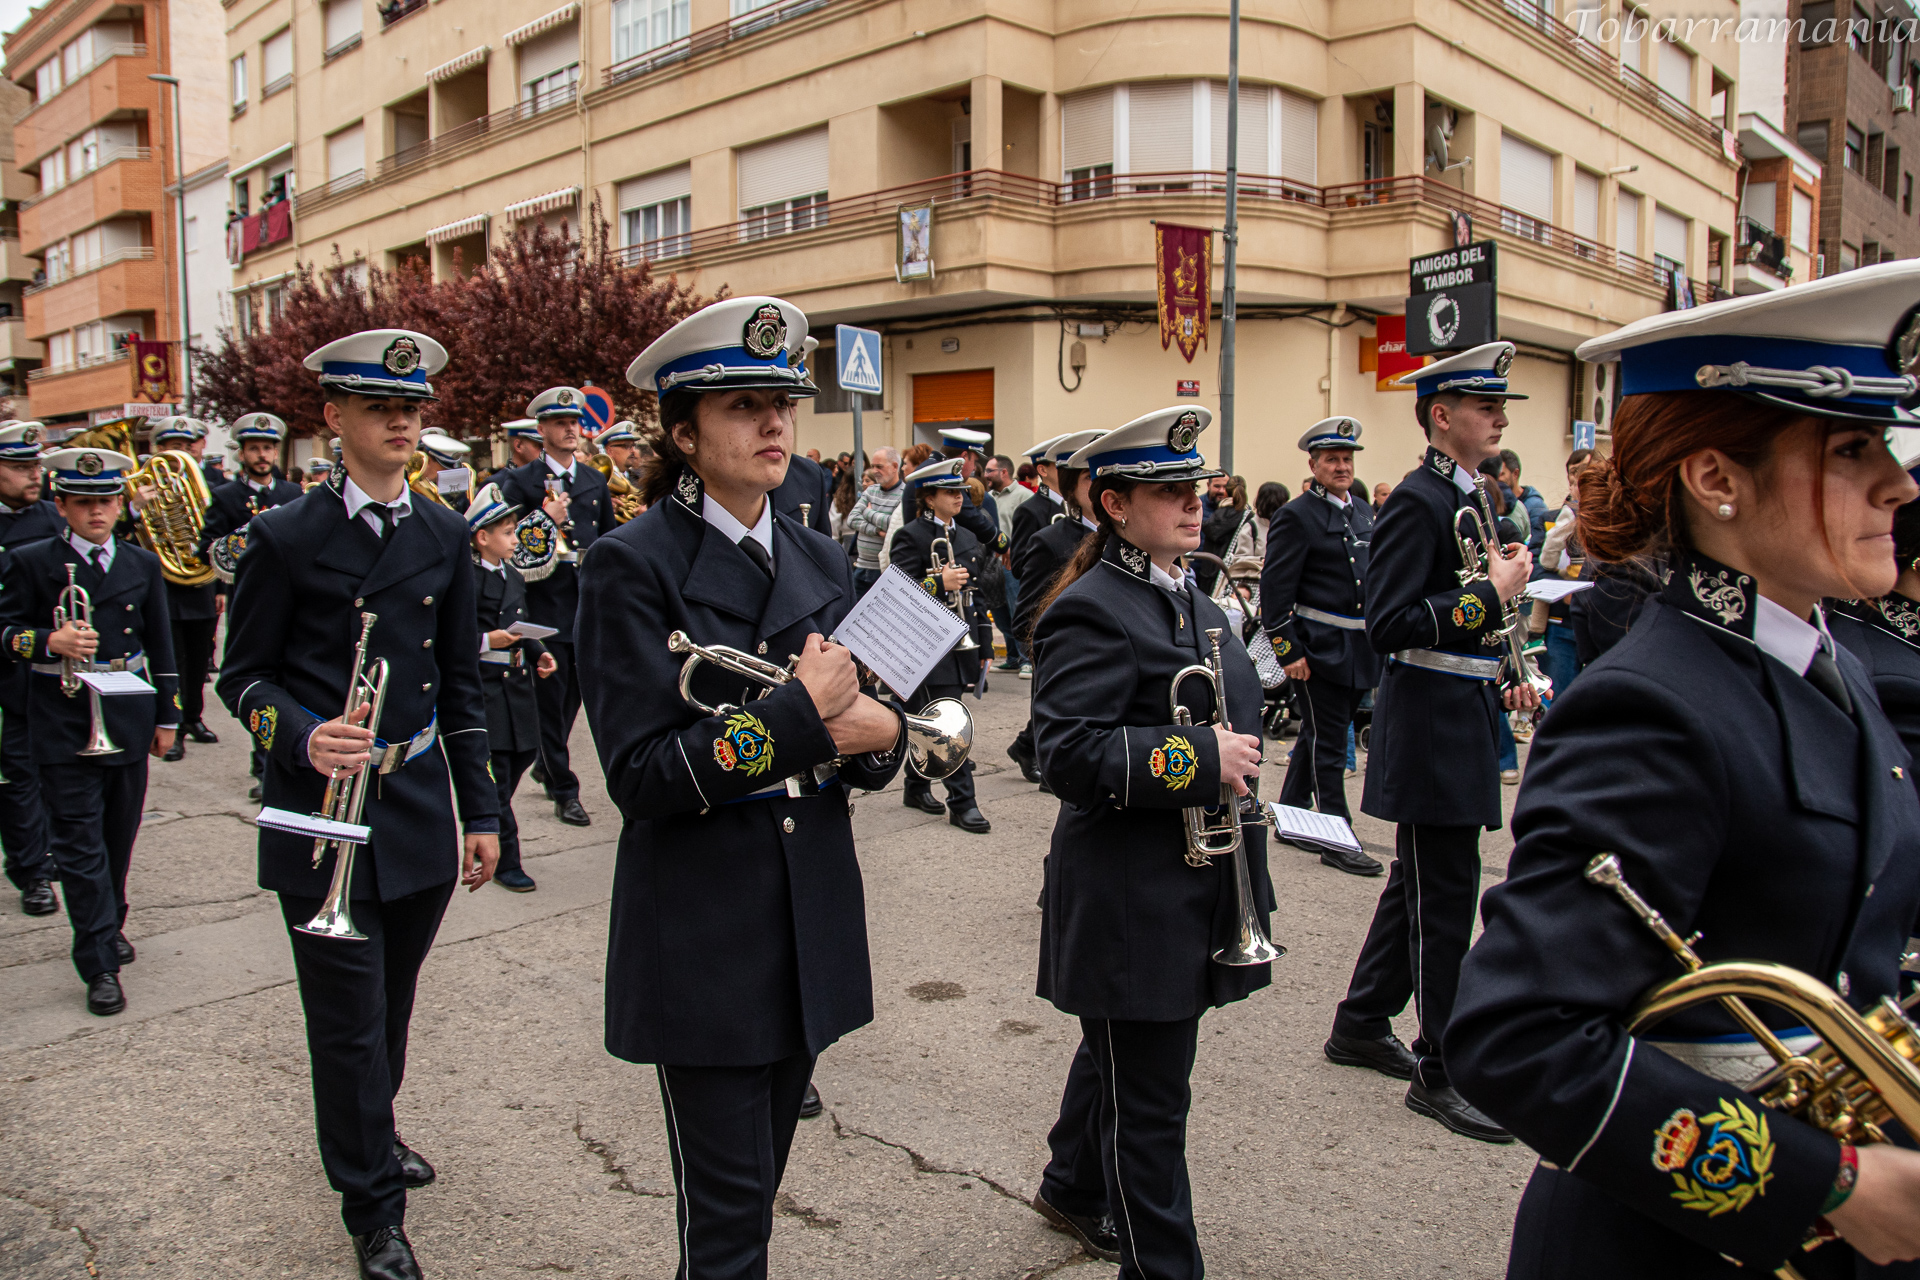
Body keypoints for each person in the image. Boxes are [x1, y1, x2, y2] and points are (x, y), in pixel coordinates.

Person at [1449, 260, 1920, 1277]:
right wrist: (1823, 1181)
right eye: (1851, 446)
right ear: (1716, 479)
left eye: (1887, 442)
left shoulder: (1831, 661)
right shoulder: (1657, 704)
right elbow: (1517, 1034)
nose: (1900, 481)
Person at [584, 295, 908, 1280]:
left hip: (808, 919)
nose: (774, 423)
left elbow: (888, 724)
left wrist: (883, 729)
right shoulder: (628, 564)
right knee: (728, 1230)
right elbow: (641, 776)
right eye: (743, 405)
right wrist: (805, 716)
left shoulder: (819, 551)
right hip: (704, 932)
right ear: (683, 435)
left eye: (783, 402)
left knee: (752, 1200)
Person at [217, 327, 500, 1280]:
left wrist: (487, 814)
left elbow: (463, 686)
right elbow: (242, 678)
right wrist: (295, 734)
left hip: (415, 802)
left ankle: (370, 1136)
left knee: (390, 1008)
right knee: (343, 1023)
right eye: (382, 408)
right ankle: (372, 1210)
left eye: (413, 410)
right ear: (333, 418)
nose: (402, 424)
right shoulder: (283, 535)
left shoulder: (443, 533)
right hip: (320, 815)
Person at [1028, 406, 1275, 1280]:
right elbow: (1064, 750)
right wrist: (1200, 756)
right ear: (1114, 504)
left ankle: (1070, 1183)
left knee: (1126, 1063)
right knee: (1154, 1109)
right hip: (1133, 893)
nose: (1192, 503)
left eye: (1196, 488)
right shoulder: (1093, 608)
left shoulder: (1193, 595)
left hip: (1198, 882)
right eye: (1169, 491)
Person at [1328, 342, 1538, 1143]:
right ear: (1443, 416)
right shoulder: (1418, 499)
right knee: (1445, 902)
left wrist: (1507, 659)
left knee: (1418, 887)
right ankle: (1441, 1071)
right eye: (1488, 410)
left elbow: (1473, 609)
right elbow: (1391, 623)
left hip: (1462, 707)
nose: (1501, 421)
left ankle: (1360, 1021)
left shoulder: (1472, 495)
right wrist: (1492, 591)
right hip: (1429, 720)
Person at [0, 446, 178, 1016]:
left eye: (105, 501)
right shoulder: (31, 560)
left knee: (116, 841)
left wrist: (169, 714)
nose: (96, 514)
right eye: (83, 504)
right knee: (78, 850)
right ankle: (98, 959)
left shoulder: (141, 563)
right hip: (60, 716)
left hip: (125, 712)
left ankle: (109, 920)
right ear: (62, 506)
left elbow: (162, 643)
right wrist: (43, 641)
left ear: (121, 503)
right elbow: (3, 629)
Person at [1260, 416, 1383, 877]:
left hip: (1360, 648)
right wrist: (1287, 651)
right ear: (1313, 464)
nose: (1342, 466)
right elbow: (1274, 593)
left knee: (1318, 734)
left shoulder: (1364, 512)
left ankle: (1292, 816)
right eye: (1332, 458)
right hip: (1317, 650)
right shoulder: (1297, 515)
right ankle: (1337, 837)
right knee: (1331, 743)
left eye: (1347, 459)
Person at [496, 387, 616, 828]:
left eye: (574, 422)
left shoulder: (592, 479)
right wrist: (547, 520)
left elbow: (606, 542)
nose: (570, 429)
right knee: (549, 700)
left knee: (573, 700)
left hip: (585, 605)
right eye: (560, 423)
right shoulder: (519, 482)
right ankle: (565, 788)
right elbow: (505, 545)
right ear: (541, 430)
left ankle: (547, 762)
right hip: (542, 605)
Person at [199, 412, 304, 800]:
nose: (263, 455)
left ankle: (272, 756)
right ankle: (261, 763)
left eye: (269, 447)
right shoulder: (226, 496)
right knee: (254, 678)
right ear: (241, 453)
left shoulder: (292, 495)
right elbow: (207, 549)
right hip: (247, 597)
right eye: (255, 448)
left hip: (291, 599)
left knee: (285, 677)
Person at [889, 457, 993, 832]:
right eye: (950, 492)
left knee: (930, 716)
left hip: (959, 638)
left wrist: (984, 647)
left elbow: (976, 596)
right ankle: (963, 802)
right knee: (947, 724)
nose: (959, 498)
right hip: (921, 644)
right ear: (928, 498)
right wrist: (937, 583)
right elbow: (896, 593)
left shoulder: (966, 537)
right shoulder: (911, 536)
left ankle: (915, 787)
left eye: (961, 491)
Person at [467, 482, 556, 894]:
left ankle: (491, 822)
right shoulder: (465, 579)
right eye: (505, 532)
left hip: (518, 687)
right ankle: (506, 860)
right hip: (486, 687)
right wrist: (489, 641)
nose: (514, 537)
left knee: (522, 757)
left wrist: (538, 651)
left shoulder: (514, 574)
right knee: (497, 779)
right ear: (482, 537)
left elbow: (521, 623)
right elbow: (451, 638)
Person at [1004, 430, 1104, 783]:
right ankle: (1042, 759)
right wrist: (1054, 655)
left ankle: (1027, 747)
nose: (1100, 482)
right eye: (1090, 475)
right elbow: (1026, 618)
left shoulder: (1129, 539)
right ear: (1071, 487)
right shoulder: (1050, 540)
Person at [0, 421, 61, 917]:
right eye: (20, 468)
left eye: (36, 466)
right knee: (17, 774)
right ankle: (31, 869)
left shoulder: (55, 517)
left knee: (57, 772)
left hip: (52, 670)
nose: (33, 476)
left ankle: (58, 850)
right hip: (7, 669)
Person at [137, 418, 221, 767]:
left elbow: (218, 542)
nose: (180, 452)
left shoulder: (215, 483)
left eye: (186, 446)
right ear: (159, 449)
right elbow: (125, 532)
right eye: (172, 445)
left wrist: (220, 587)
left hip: (201, 584)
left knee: (199, 656)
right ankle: (171, 724)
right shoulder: (144, 485)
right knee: (170, 660)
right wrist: (137, 508)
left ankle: (193, 717)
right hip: (162, 586)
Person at [985, 452, 1030, 672]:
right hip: (991, 564)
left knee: (1016, 610)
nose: (985, 475)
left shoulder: (1024, 496)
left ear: (1004, 472)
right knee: (1000, 612)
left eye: (989, 471)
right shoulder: (988, 497)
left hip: (1013, 563)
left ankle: (1026, 660)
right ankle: (1013, 657)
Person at [845, 445, 903, 597]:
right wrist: (876, 530)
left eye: (879, 467)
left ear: (895, 467)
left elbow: (895, 525)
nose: (874, 471)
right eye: (873, 466)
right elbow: (852, 519)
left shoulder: (904, 494)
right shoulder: (870, 491)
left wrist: (868, 512)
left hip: (884, 570)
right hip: (861, 567)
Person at [877, 443, 936, 571]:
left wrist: (868, 513)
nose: (902, 468)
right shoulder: (908, 495)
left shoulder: (915, 498)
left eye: (905, 463)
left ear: (919, 464)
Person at [1497, 449, 1549, 560]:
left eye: (1502, 474)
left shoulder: (1535, 505)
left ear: (1515, 473)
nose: (1497, 479)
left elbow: (1539, 544)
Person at [411, 431, 472, 513]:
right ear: (427, 461)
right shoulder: (408, 490)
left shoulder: (457, 496)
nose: (448, 474)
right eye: (443, 469)